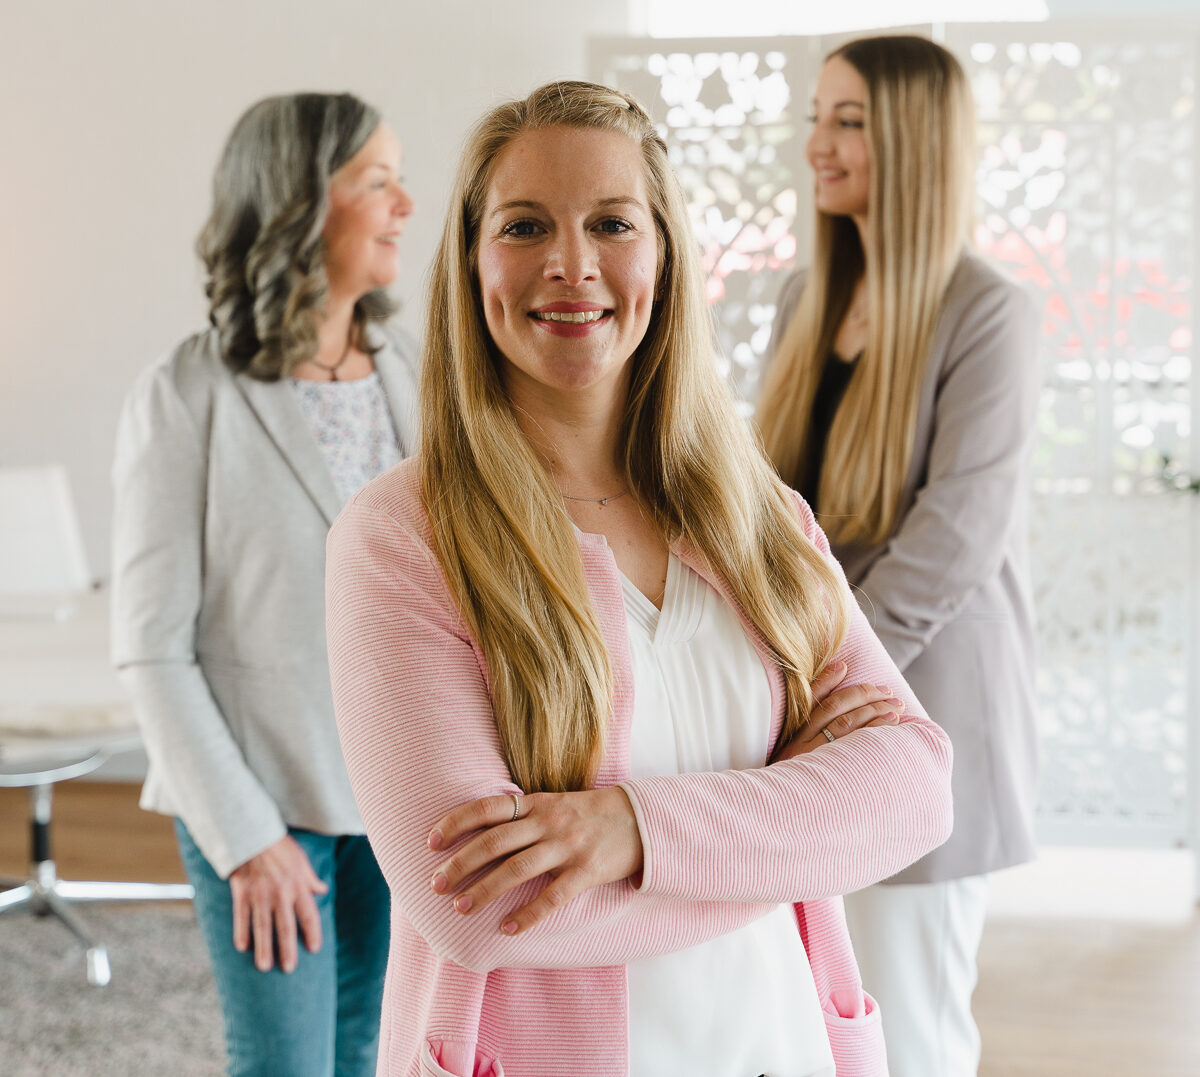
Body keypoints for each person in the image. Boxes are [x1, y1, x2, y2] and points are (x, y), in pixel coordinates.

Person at [326, 80, 952, 1077]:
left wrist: (629, 831)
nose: (571, 264)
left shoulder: (758, 515)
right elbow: (480, 906)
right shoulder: (402, 536)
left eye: (612, 223)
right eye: (525, 225)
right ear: (472, 262)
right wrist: (799, 820)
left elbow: (915, 788)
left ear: (663, 254)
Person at [111, 92, 419, 1077]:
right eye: (378, 183)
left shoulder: (417, 374)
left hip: (402, 794)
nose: (406, 205)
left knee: (372, 1054)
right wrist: (247, 839)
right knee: (287, 1063)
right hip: (260, 801)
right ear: (299, 204)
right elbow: (151, 647)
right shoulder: (186, 395)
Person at [757, 36, 1040, 1077]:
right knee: (816, 1024)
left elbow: (952, 543)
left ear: (916, 141)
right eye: (816, 119)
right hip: (812, 713)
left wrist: (825, 679)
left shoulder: (989, 313)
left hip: (918, 710)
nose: (817, 147)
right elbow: (768, 506)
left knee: (912, 1034)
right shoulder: (806, 299)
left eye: (848, 122)